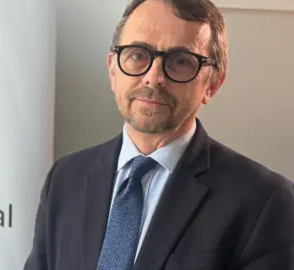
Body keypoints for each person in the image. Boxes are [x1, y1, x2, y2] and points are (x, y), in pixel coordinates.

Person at [23, 0, 294, 269]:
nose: (153, 78)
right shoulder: (65, 178)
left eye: (180, 61)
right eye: (138, 55)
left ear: (212, 84)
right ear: (113, 70)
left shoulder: (266, 202)